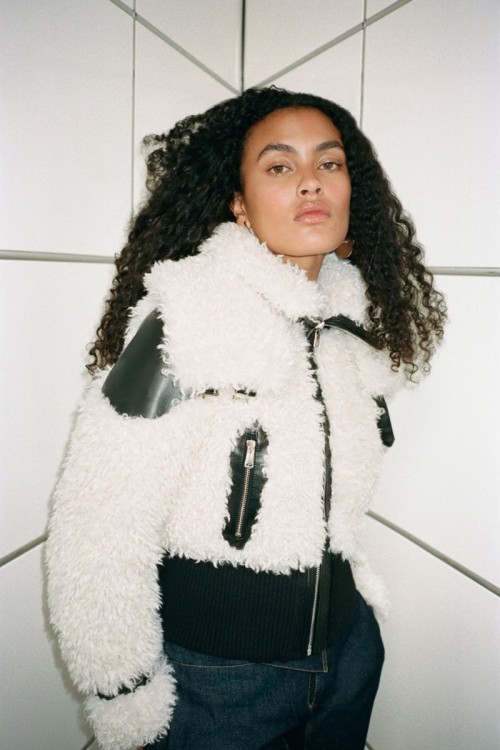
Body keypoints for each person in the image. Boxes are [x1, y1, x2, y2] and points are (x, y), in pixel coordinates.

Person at [46, 86, 447, 750]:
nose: (311, 182)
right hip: (219, 681)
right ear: (238, 202)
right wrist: (122, 684)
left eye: (329, 163)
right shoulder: (186, 320)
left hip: (348, 656)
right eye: (280, 166)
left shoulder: (353, 329)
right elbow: (99, 516)